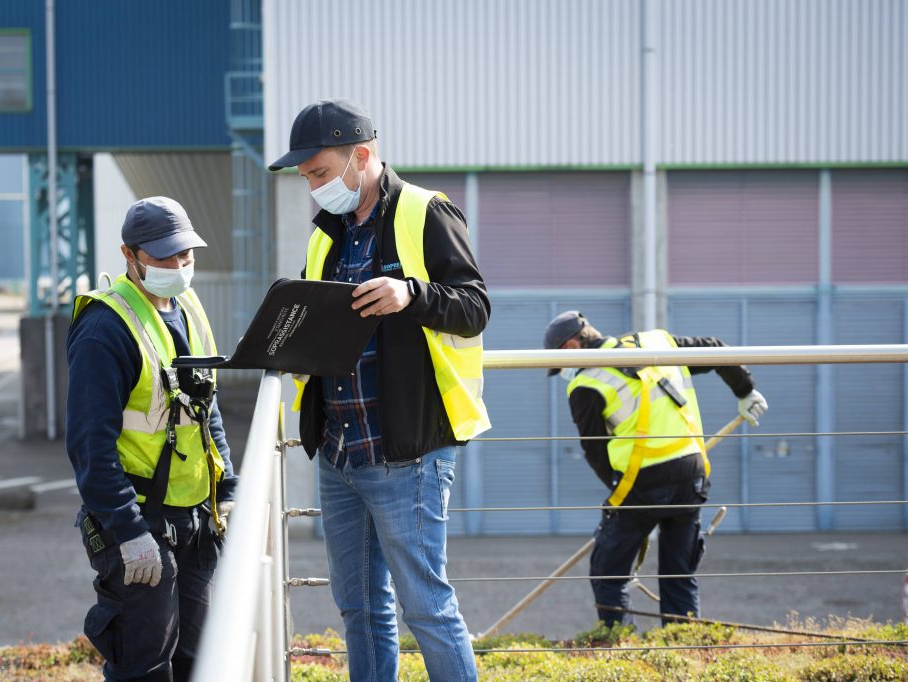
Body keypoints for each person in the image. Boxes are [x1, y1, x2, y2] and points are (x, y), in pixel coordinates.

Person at [269, 99, 489, 682]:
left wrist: (411, 295)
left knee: (427, 607)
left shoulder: (426, 211)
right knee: (360, 609)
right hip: (341, 452)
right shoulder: (327, 236)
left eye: (318, 173)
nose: (312, 188)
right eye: (306, 178)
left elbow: (474, 308)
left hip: (406, 452)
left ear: (360, 156)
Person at [66, 196, 239, 682]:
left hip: (194, 519)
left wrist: (226, 492)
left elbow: (208, 412)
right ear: (130, 255)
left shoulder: (188, 307)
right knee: (144, 668)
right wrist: (127, 530)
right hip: (142, 523)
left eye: (186, 255)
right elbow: (89, 448)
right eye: (164, 257)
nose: (179, 267)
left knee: (196, 660)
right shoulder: (105, 329)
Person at [542, 310, 768, 627]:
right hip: (692, 475)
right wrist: (746, 390)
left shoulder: (585, 383)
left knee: (608, 573)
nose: (563, 372)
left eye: (559, 365)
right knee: (679, 574)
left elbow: (595, 451)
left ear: (569, 348)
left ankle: (620, 651)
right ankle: (682, 651)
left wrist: (619, 493)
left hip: (641, 484)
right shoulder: (654, 342)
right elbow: (716, 349)